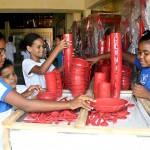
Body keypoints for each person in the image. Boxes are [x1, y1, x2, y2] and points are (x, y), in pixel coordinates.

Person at [0, 32, 94, 150]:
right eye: (38, 47)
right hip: (34, 103)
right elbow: (41, 70)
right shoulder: (27, 63)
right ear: (29, 48)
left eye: (43, 46)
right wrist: (57, 50)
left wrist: (70, 61)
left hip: (45, 101)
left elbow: (57, 72)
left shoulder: (44, 61)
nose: (42, 49)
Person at [86, 31, 150, 101]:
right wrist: (98, 58)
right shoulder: (144, 65)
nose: (140, 56)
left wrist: (147, 95)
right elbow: (121, 55)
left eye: (146, 53)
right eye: (139, 52)